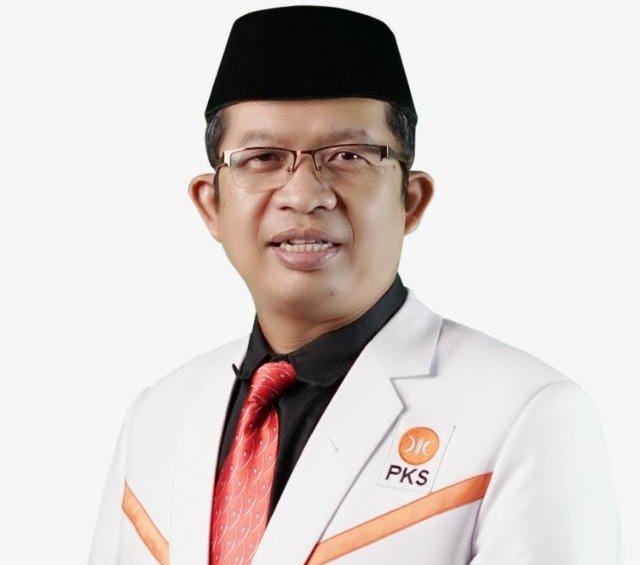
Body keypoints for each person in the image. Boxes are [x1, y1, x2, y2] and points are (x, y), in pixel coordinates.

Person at [88, 6, 620, 565]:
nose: (304, 195)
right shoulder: (157, 417)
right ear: (210, 204)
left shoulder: (526, 415)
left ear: (411, 200)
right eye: (263, 157)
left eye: (348, 156)